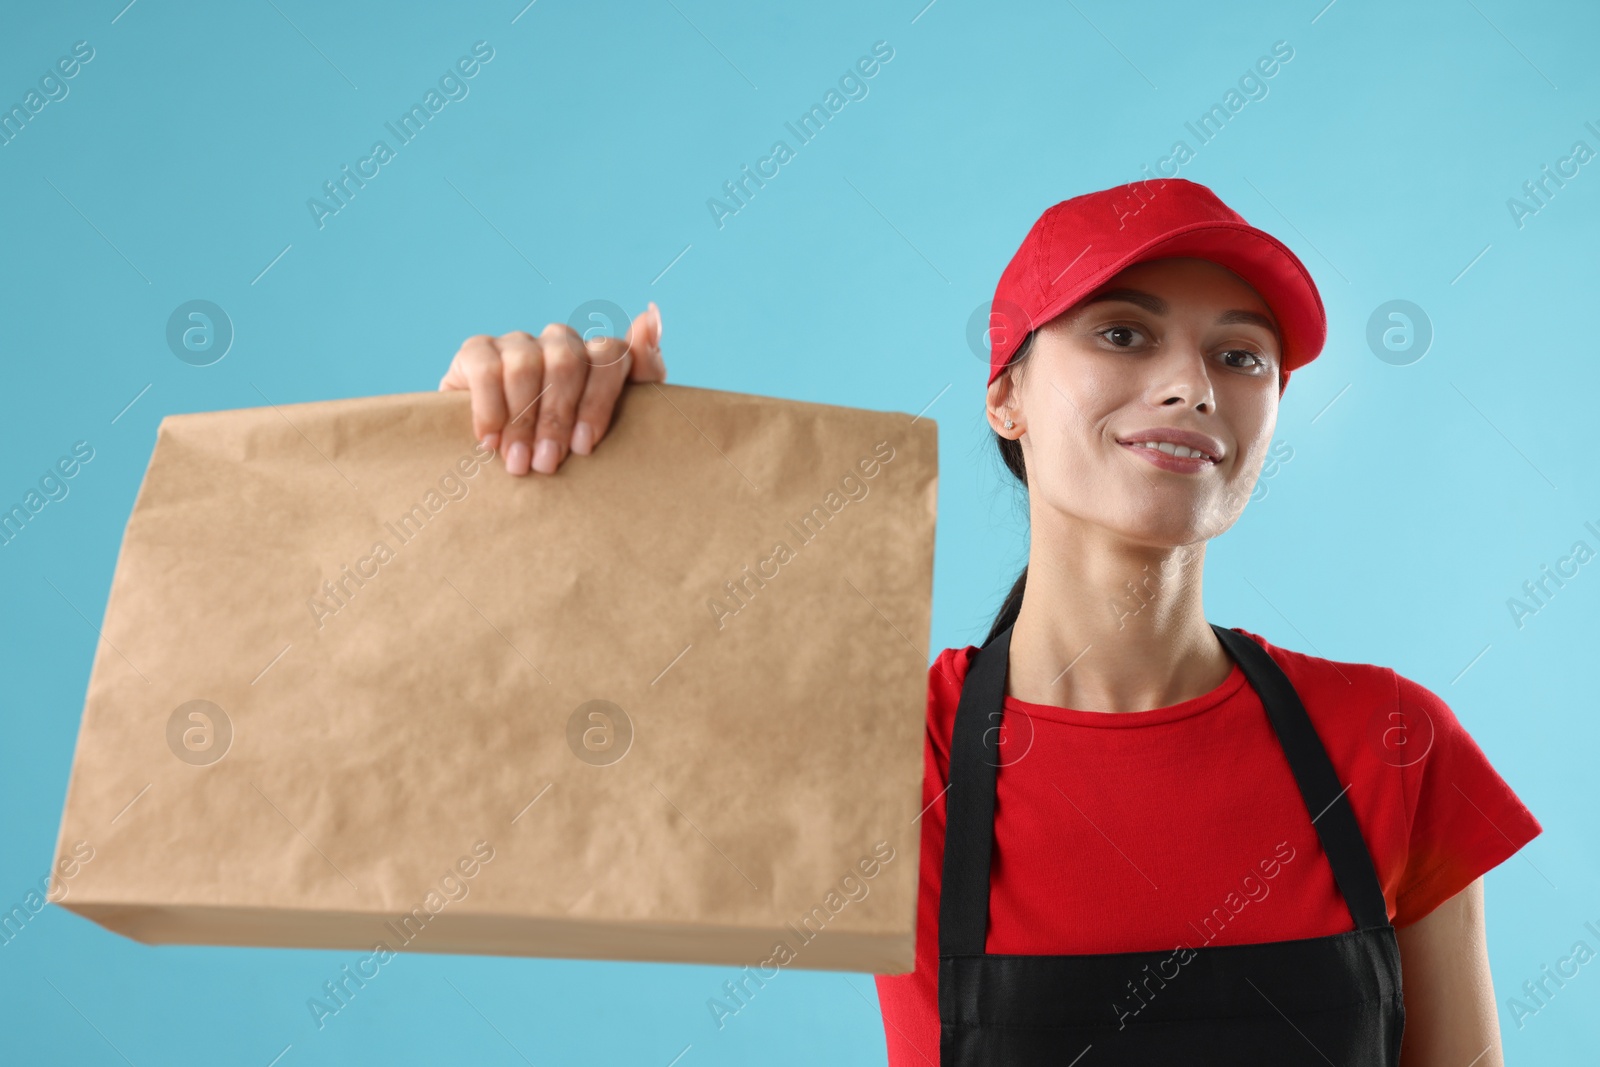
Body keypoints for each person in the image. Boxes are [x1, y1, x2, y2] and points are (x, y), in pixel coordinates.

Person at [438, 178, 1542, 1065]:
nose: (1191, 386)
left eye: (1239, 355)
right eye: (1121, 334)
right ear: (1003, 396)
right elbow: (515, 770)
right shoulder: (884, 744)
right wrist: (529, 480)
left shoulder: (1390, 741)